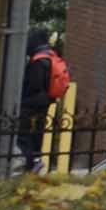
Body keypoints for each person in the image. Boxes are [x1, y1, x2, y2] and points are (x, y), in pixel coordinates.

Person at [16, 34, 69, 169]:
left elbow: (34, 85)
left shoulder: (39, 61)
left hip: (33, 104)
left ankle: (29, 164)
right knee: (38, 134)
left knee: (23, 133)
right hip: (46, 102)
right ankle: (36, 159)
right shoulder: (51, 56)